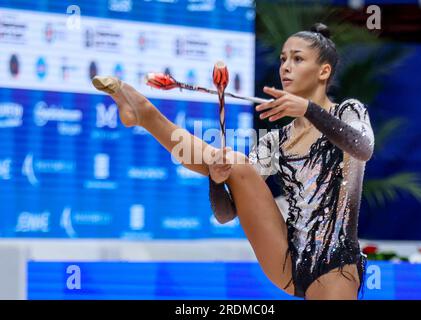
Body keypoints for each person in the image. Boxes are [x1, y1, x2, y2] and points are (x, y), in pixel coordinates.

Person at [92, 22, 374, 300]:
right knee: (231, 162)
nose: (286, 66)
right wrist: (216, 180)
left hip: (334, 262)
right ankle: (146, 114)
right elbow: (226, 214)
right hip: (285, 259)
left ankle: (145, 114)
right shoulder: (277, 141)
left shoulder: (348, 111)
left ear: (324, 71)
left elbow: (363, 148)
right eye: (283, 59)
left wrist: (309, 109)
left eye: (297, 59)